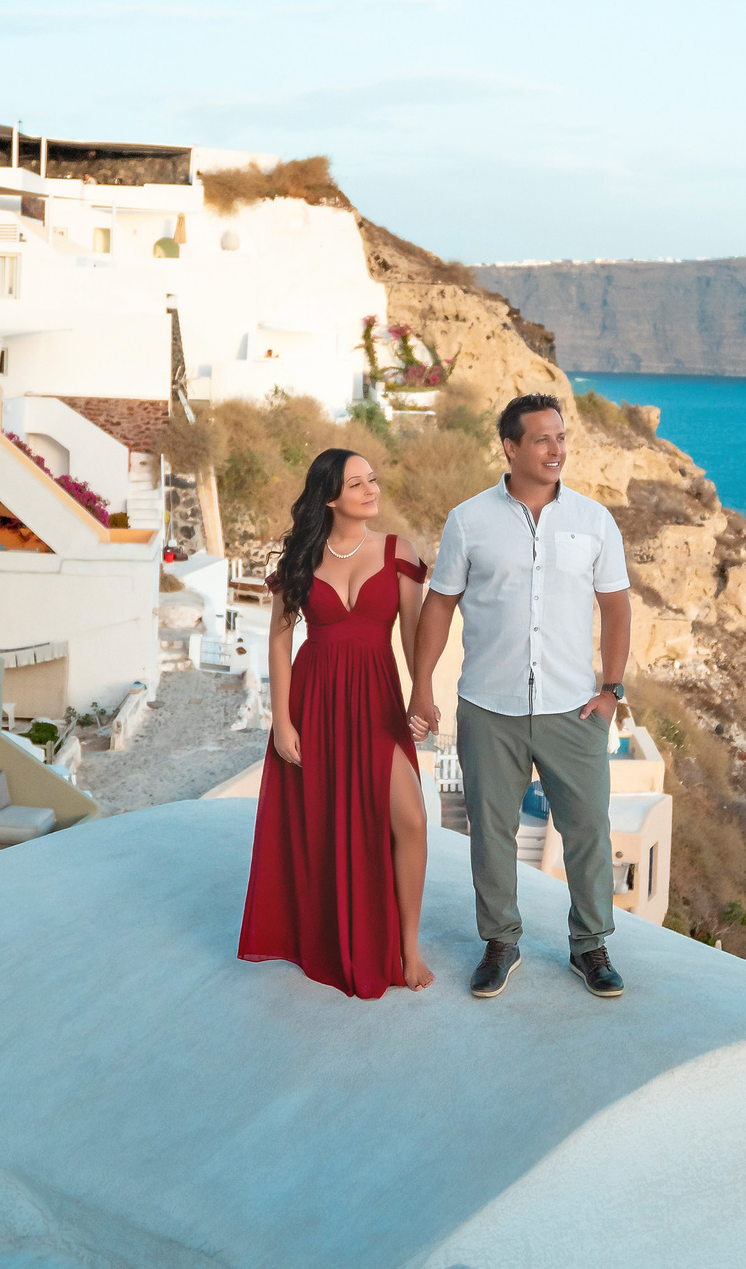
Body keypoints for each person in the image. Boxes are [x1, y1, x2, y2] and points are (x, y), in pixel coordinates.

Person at [411, 393, 634, 1000]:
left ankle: (590, 947)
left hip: (573, 709)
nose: (556, 449)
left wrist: (611, 689)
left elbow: (616, 608)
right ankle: (500, 943)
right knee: (491, 832)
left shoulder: (594, 521)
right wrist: (422, 686)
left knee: (588, 829)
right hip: (488, 706)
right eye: (541, 439)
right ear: (510, 447)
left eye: (560, 438)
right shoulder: (469, 520)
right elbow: (439, 605)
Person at [237, 448, 438, 998]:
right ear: (331, 497)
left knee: (411, 818)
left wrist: (423, 695)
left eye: (373, 479)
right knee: (327, 822)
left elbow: (415, 637)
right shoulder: (303, 559)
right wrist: (281, 722)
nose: (372, 490)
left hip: (376, 701)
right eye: (357, 484)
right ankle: (331, 932)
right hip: (316, 701)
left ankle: (409, 946)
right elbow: (279, 644)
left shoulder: (398, 552)